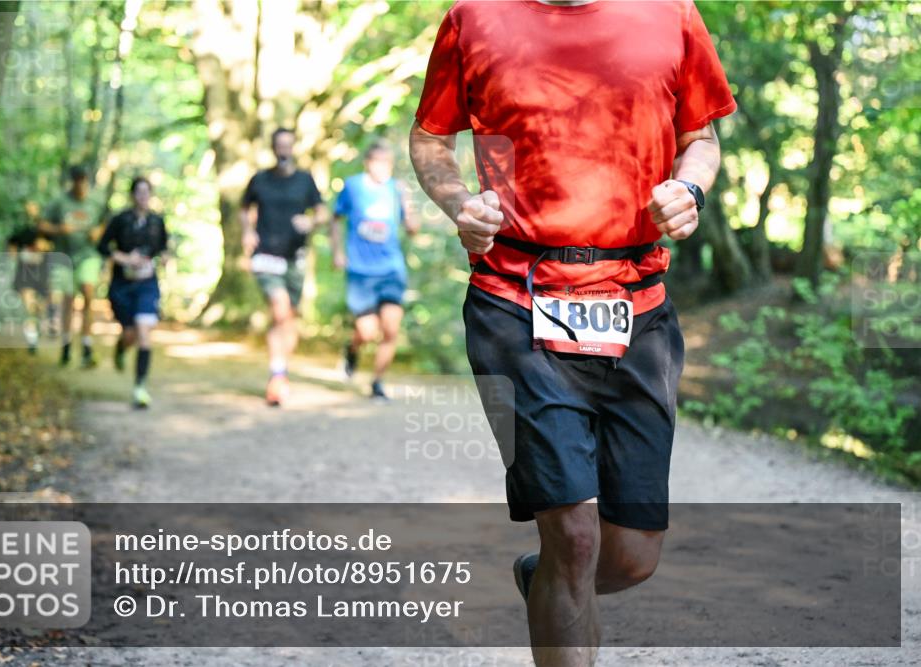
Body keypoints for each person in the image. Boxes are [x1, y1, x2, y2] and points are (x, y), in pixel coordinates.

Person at [409, 1, 736, 665]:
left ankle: (548, 577)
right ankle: (563, 567)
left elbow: (701, 138)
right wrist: (460, 204)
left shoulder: (671, 13)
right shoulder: (473, 18)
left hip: (638, 306)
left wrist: (690, 190)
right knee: (576, 536)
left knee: (631, 555)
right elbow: (430, 139)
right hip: (514, 302)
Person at [240, 128, 328, 407]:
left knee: (289, 319)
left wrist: (311, 222)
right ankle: (276, 377)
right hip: (266, 255)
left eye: (288, 145)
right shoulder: (260, 179)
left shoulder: (304, 180)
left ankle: (281, 370)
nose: (283, 150)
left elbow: (322, 212)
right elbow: (244, 208)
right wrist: (247, 232)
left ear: (293, 148)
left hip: (295, 257)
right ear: (273, 147)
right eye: (279, 145)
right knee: (279, 309)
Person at [330, 141, 418, 401]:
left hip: (391, 270)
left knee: (391, 329)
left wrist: (407, 203)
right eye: (378, 162)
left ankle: (377, 382)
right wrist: (337, 252)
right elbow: (335, 218)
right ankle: (352, 350)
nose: (383, 168)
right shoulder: (353, 186)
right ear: (368, 163)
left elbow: (413, 229)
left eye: (388, 163)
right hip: (360, 271)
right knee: (367, 331)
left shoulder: (396, 189)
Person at [97, 177, 168, 409]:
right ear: (132, 195)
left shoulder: (157, 221)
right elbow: (102, 246)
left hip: (147, 284)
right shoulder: (120, 220)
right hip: (122, 285)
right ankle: (121, 347)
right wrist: (125, 258)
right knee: (130, 334)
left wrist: (163, 258)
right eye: (139, 192)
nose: (143, 196)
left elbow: (164, 248)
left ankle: (140, 387)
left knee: (144, 332)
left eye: (147, 192)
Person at [39, 165, 106, 368]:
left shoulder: (96, 202)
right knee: (68, 300)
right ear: (72, 181)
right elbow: (41, 225)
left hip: (88, 255)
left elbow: (107, 223)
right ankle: (66, 344)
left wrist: (98, 231)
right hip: (64, 257)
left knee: (88, 293)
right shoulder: (60, 202)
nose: (81, 184)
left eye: (84, 180)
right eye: (78, 180)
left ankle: (86, 346)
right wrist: (59, 229)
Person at [6, 201, 51, 355]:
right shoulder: (21, 229)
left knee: (39, 308)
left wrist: (45, 247)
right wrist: (16, 255)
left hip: (42, 275)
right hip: (25, 275)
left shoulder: (46, 229)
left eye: (34, 208)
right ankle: (32, 340)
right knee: (29, 307)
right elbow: (11, 244)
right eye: (28, 208)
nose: (31, 211)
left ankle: (37, 328)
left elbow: (54, 246)